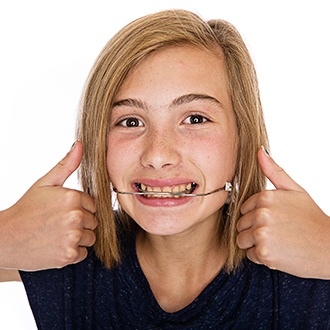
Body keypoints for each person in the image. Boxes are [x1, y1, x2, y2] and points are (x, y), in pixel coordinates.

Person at [1, 9, 329, 328]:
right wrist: (7, 235)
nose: (158, 155)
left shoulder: (309, 260)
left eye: (195, 119)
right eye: (130, 122)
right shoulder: (66, 249)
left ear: (242, 136)